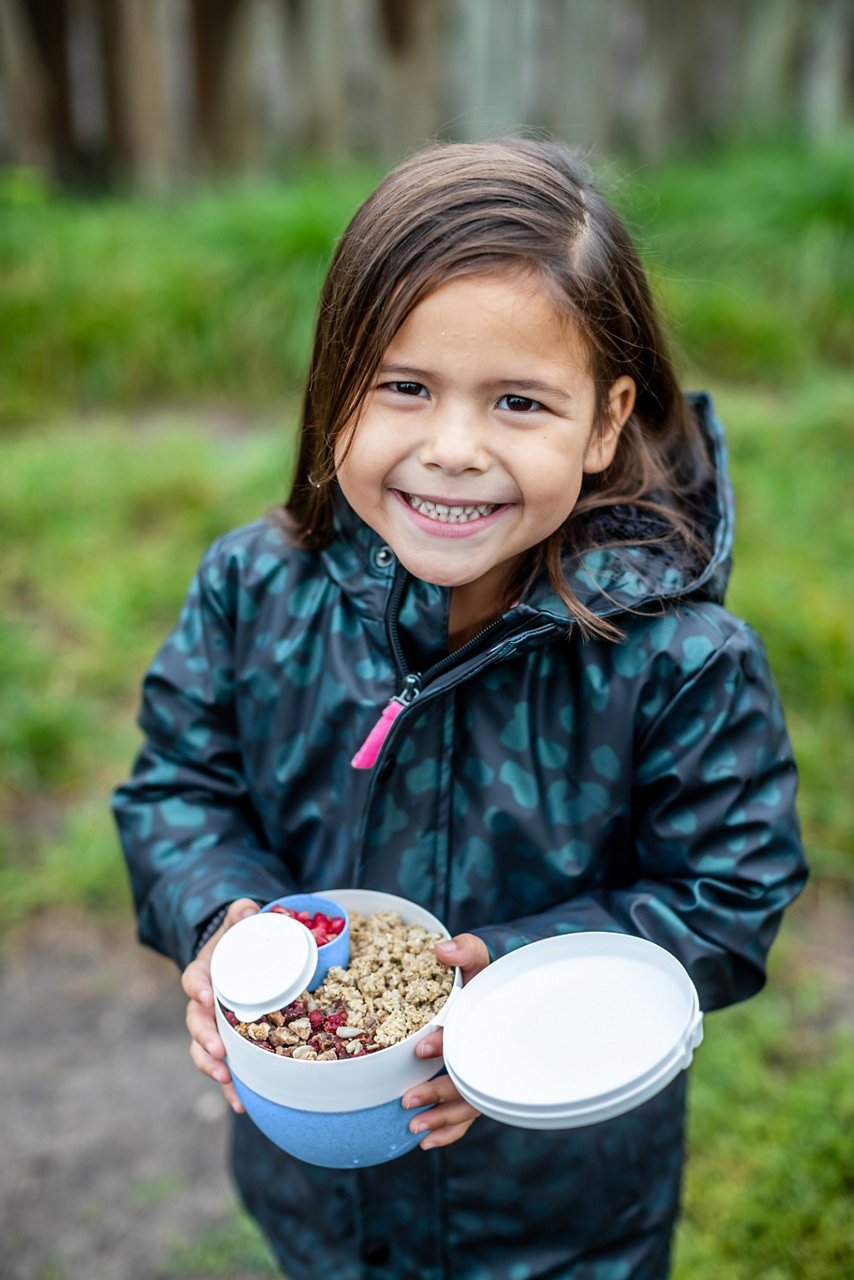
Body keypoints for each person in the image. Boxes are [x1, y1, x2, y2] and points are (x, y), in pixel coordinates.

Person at [113, 138, 807, 1280]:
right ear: (334, 382)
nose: (450, 449)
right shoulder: (253, 589)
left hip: (561, 1194)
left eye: (518, 401)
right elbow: (176, 787)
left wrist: (512, 991)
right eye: (403, 385)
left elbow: (726, 900)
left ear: (601, 421)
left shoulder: (677, 660)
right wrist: (221, 922)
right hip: (316, 1176)